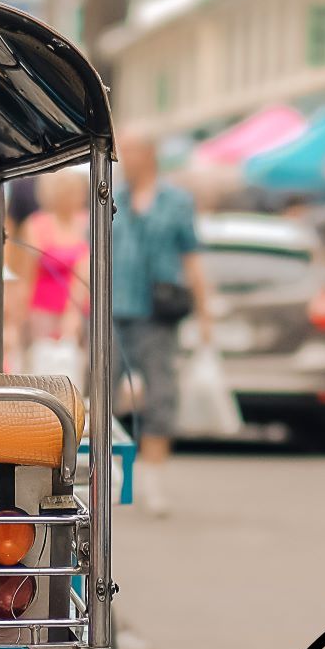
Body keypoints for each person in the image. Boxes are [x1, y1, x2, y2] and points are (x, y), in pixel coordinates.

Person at [113, 129, 212, 517]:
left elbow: (192, 257)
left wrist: (205, 312)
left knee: (160, 396)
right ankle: (110, 477)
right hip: (113, 312)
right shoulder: (110, 196)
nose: (126, 158)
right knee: (100, 396)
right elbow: (94, 252)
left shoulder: (176, 202)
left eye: (133, 150)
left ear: (150, 154)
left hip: (158, 313)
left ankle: (153, 481)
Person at [11, 169, 90, 356]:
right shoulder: (35, 225)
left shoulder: (87, 222)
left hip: (81, 313)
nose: (71, 197)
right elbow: (25, 275)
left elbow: (88, 269)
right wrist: (14, 322)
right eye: (64, 191)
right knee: (45, 366)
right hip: (42, 312)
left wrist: (73, 312)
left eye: (74, 191)